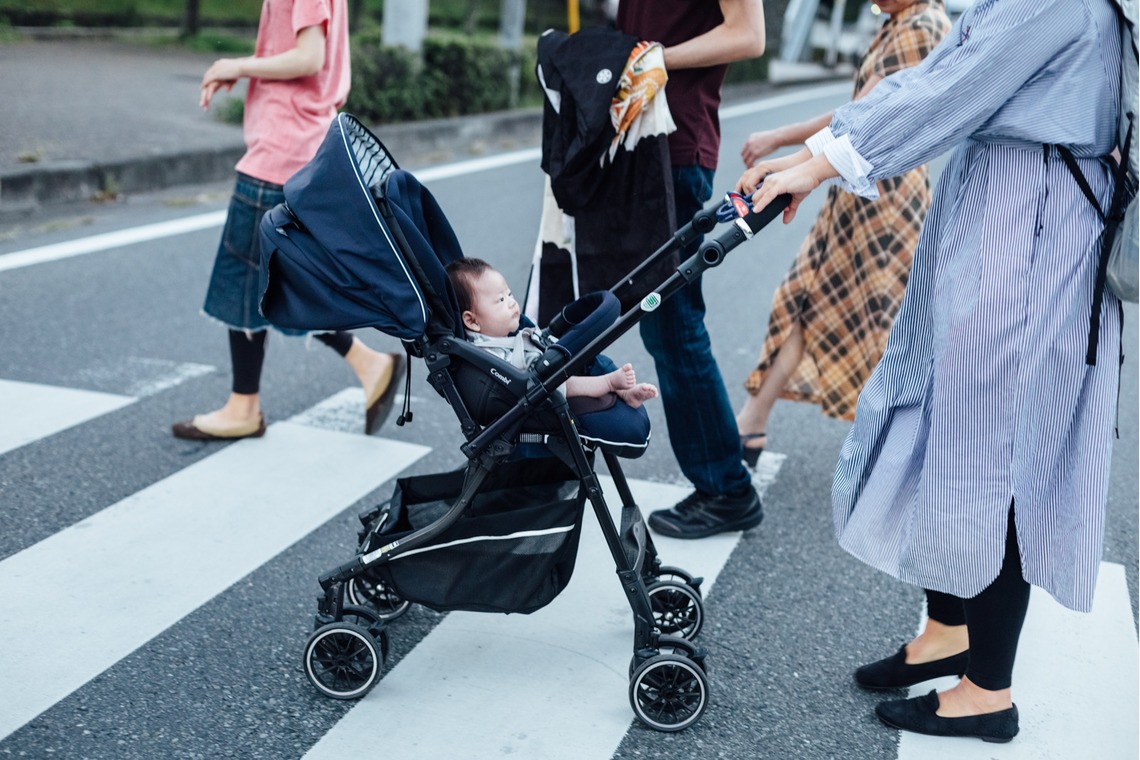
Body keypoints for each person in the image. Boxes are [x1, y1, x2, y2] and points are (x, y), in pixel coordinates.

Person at [740, 0, 1122, 743]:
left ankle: (988, 691)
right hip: (1005, 207)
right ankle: (948, 628)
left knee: (998, 445)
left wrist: (819, 163)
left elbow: (951, 88)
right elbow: (935, 74)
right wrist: (819, 149)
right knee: (950, 417)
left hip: (1033, 224)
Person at [734, 0, 950, 468]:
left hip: (886, 202)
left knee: (888, 321)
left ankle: (915, 447)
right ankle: (751, 424)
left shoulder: (924, 25)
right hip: (855, 189)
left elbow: (865, 114)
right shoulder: (899, 21)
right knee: (804, 297)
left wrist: (783, 144)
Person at [172, 0, 402, 441]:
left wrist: (235, 64)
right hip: (301, 145)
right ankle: (368, 365)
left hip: (280, 150)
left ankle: (244, 407)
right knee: (283, 280)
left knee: (243, 281)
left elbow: (309, 57)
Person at [615, 0, 767, 539]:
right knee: (636, 314)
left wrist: (656, 58)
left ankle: (726, 489)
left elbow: (749, 35)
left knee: (673, 324)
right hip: (636, 140)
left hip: (672, 148)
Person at [446, 258, 659, 408]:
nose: (512, 302)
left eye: (509, 294)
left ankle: (625, 393)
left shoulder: (507, 331)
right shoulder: (483, 353)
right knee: (563, 382)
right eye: (501, 300)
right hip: (537, 387)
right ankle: (610, 383)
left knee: (588, 354)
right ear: (472, 321)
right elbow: (514, 381)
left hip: (544, 366)